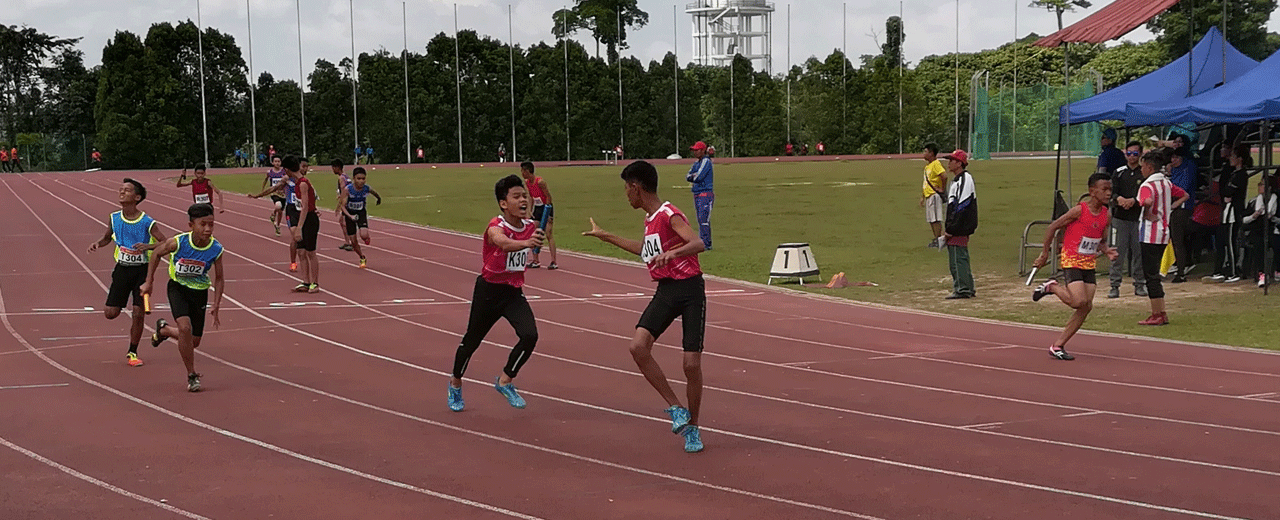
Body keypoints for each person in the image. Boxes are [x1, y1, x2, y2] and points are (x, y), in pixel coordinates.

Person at [582, 160, 707, 454]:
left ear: (637, 188)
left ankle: (694, 427)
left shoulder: (668, 214)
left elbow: (698, 243)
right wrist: (606, 236)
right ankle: (676, 409)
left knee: (691, 365)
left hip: (689, 290)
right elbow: (644, 250)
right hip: (666, 290)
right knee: (638, 347)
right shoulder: (650, 220)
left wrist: (672, 253)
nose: (626, 195)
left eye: (627, 189)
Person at [447, 174, 545, 413]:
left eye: (525, 195)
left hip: (512, 292)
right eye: (517, 196)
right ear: (504, 203)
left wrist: (536, 240)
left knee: (530, 335)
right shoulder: (495, 226)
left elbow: (531, 242)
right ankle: (455, 383)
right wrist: (526, 244)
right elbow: (502, 243)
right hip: (488, 292)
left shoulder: (531, 226)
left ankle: (505, 380)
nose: (523, 200)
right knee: (471, 342)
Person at [1031, 173, 1118, 360]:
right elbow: (1052, 227)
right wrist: (1045, 253)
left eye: (1110, 189)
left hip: (1088, 262)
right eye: (1104, 189)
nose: (1108, 193)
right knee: (1079, 301)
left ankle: (1058, 345)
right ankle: (1052, 287)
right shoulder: (1079, 211)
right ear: (1092, 191)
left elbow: (1099, 240)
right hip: (1071, 259)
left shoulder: (1106, 215)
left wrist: (1107, 250)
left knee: (1086, 307)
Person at [142, 203, 225, 393]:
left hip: (199, 293)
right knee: (185, 328)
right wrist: (149, 282)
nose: (207, 229)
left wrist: (217, 304)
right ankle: (192, 375)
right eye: (203, 224)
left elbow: (219, 278)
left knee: (193, 341)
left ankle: (164, 330)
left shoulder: (216, 249)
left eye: (211, 225)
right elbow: (155, 253)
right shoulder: (178, 242)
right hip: (178, 288)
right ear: (191, 225)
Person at [87, 179, 167, 367]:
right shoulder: (114, 218)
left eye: (127, 190)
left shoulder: (146, 221)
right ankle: (125, 304)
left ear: (137, 197)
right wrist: (98, 243)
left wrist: (148, 246)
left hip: (142, 272)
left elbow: (165, 242)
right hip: (122, 270)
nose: (121, 192)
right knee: (111, 313)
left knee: (139, 313)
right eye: (120, 190)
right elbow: (107, 238)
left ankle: (132, 351)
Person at [1135, 150, 1189, 326]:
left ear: (1149, 167)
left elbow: (1146, 201)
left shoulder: (1146, 186)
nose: (1141, 170)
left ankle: (1157, 312)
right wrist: (1171, 207)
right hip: (1164, 232)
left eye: (1143, 166)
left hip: (1150, 234)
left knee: (1151, 276)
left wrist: (1149, 212)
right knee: (1154, 274)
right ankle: (1160, 311)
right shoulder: (1166, 183)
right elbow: (1184, 195)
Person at [1108, 141, 1147, 298]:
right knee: (1118, 252)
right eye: (1129, 153)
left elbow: (1146, 193)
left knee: (1139, 253)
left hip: (1138, 218)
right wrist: (1119, 200)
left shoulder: (1143, 173)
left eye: (1135, 154)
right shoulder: (1118, 172)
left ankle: (1139, 284)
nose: (1131, 157)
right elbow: (1111, 192)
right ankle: (1114, 285)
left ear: (1140, 154)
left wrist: (1134, 201)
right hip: (1120, 218)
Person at [250, 157, 301, 272]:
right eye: (303, 167)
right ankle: (293, 262)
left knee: (303, 240)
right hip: (292, 210)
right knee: (295, 236)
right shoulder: (286, 179)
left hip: (303, 211)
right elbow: (273, 188)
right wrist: (258, 195)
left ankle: (304, 259)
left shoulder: (304, 182)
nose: (304, 169)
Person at [1212, 144, 1252, 283]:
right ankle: (1227, 269)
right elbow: (1225, 191)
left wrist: (1227, 194)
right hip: (1229, 211)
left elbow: (1229, 191)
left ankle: (1234, 272)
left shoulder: (1240, 175)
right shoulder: (1235, 174)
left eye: (1234, 156)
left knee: (1231, 242)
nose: (1231, 158)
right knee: (1226, 241)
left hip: (1234, 212)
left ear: (1240, 159)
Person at [942, 150, 978, 300]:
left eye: (952, 160)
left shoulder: (964, 179)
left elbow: (962, 206)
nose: (949, 163)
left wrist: (952, 228)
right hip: (957, 226)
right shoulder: (956, 181)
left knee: (958, 258)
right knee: (957, 257)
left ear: (959, 163)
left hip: (960, 227)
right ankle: (966, 286)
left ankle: (963, 288)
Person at [336, 167, 382, 268]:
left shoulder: (366, 188)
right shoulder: (348, 190)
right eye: (358, 179)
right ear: (354, 178)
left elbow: (374, 193)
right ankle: (362, 257)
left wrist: (378, 199)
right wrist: (350, 216)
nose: (361, 181)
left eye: (363, 179)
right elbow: (342, 206)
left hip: (361, 213)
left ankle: (366, 237)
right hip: (350, 214)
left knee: (364, 235)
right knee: (353, 241)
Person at [290, 156, 321, 293]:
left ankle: (315, 283)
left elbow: (305, 206)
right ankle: (306, 281)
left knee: (310, 252)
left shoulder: (303, 183)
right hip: (301, 217)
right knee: (301, 252)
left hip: (309, 219)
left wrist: (299, 227)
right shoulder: (297, 183)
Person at [1241, 177, 1277, 287]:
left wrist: (1272, 218)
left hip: (1272, 230)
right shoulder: (1253, 201)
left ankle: (1277, 271)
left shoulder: (1276, 201)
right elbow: (1243, 220)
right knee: (1258, 244)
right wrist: (1254, 216)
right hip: (1257, 230)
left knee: (1276, 242)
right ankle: (1262, 273)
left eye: (1262, 184)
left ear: (1269, 187)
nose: (1259, 187)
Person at [521, 161, 557, 269]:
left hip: (546, 207)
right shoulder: (527, 182)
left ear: (528, 171)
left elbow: (548, 197)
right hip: (537, 208)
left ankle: (553, 261)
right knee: (534, 232)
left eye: (523, 171)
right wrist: (529, 211)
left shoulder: (540, 182)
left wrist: (548, 214)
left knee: (548, 233)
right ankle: (535, 260)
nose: (522, 173)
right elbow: (531, 197)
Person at [686, 141, 714, 250]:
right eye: (694, 150)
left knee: (703, 219)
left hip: (705, 193)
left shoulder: (706, 161)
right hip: (697, 193)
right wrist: (693, 176)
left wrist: (693, 176)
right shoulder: (696, 163)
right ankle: (703, 241)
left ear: (703, 150)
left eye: (697, 150)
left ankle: (706, 243)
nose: (695, 152)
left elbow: (698, 177)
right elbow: (688, 175)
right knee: (700, 219)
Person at [920, 143, 948, 249]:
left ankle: (939, 239)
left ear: (931, 153)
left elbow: (944, 176)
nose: (924, 154)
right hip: (929, 195)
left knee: (936, 219)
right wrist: (923, 196)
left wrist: (942, 189)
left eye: (925, 151)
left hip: (934, 195)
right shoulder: (928, 166)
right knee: (931, 219)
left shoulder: (936, 164)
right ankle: (937, 239)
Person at [331, 159, 354, 251]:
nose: (332, 170)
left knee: (344, 222)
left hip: (346, 202)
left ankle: (351, 242)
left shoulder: (341, 178)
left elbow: (344, 192)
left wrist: (339, 206)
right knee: (343, 222)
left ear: (337, 167)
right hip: (350, 201)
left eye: (333, 168)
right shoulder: (346, 176)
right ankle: (348, 241)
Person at [261, 155, 287, 236]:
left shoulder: (284, 172)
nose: (277, 163)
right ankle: (273, 213)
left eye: (278, 161)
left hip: (283, 194)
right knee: (278, 205)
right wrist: (263, 190)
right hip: (274, 193)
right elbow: (265, 180)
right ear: (272, 162)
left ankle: (278, 225)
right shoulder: (270, 172)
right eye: (275, 161)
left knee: (280, 211)